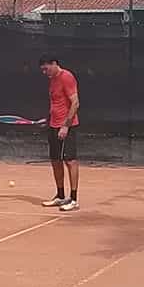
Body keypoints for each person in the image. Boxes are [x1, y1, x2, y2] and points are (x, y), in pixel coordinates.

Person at [39, 53, 80, 212]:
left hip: (67, 126)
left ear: (54, 63)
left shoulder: (66, 77)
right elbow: (56, 103)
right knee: (55, 161)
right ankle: (60, 196)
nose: (45, 72)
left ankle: (74, 200)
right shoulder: (52, 80)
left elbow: (75, 103)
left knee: (70, 161)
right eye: (43, 70)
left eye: (47, 69)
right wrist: (48, 119)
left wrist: (65, 126)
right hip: (53, 125)